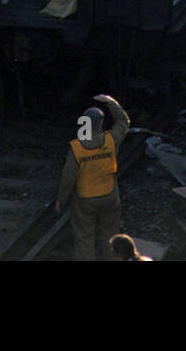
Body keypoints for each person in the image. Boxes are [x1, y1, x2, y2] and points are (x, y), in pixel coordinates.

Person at [56, 93, 130, 262]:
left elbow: (68, 177)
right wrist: (111, 102)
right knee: (110, 235)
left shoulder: (76, 148)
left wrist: (62, 199)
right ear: (101, 124)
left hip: (85, 199)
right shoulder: (111, 139)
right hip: (109, 195)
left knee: (84, 237)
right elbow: (123, 122)